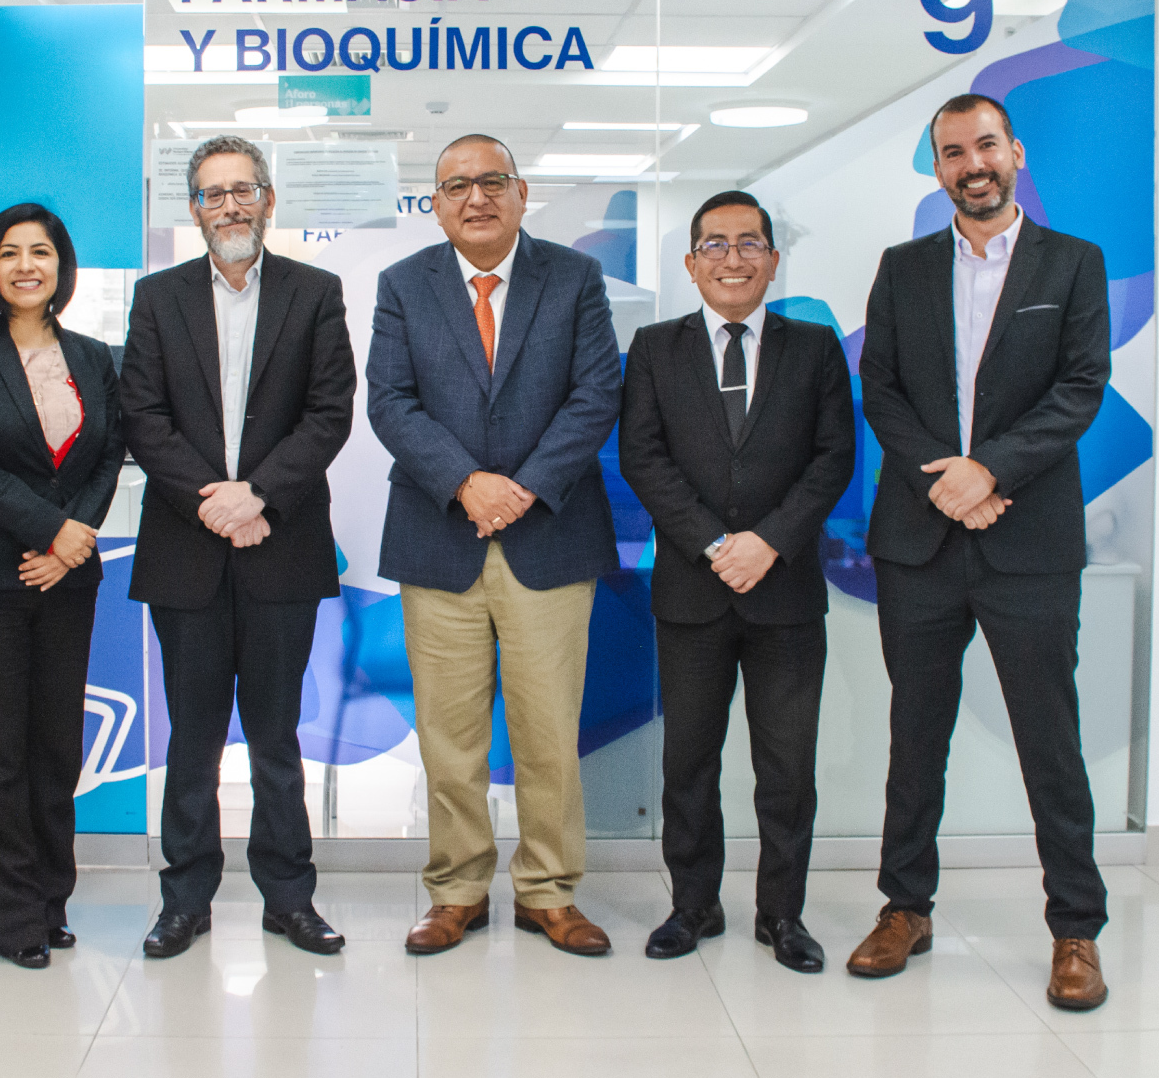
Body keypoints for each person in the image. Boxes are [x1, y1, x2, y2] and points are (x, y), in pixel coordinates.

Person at [851, 93, 1111, 1010]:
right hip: (920, 541)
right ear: (937, 168)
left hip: (1028, 537)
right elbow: (880, 387)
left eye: (987, 145)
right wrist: (942, 482)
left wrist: (990, 471)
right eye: (954, 150)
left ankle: (1075, 928)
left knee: (1052, 741)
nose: (974, 162)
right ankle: (904, 907)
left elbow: (1082, 388)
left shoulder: (1073, 263)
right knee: (915, 735)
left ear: (1016, 153)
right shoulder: (903, 267)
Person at [368, 134, 622, 957]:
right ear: (435, 203)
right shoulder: (404, 285)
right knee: (450, 735)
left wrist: (520, 486)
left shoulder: (573, 278)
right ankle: (457, 890)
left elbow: (596, 393)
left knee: (551, 731)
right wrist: (466, 482)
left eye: (491, 182)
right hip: (438, 536)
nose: (474, 198)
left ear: (521, 193)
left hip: (548, 533)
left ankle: (550, 890)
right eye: (455, 186)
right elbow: (390, 400)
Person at [121, 135, 356, 959]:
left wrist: (257, 495)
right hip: (187, 553)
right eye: (213, 193)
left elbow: (330, 413)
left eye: (243, 189)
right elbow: (142, 417)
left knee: (275, 735)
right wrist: (215, 503)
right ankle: (185, 899)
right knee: (190, 738)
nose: (230, 205)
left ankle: (288, 896)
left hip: (281, 545)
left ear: (268, 200)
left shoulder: (315, 292)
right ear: (193, 210)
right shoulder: (156, 298)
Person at [619, 191, 855, 968]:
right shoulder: (654, 348)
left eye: (749, 242)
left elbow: (833, 460)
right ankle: (694, 904)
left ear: (773, 260)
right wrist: (716, 543)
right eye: (714, 244)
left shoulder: (815, 347)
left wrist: (770, 542)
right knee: (690, 758)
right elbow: (643, 458)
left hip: (785, 593)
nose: (732, 257)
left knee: (787, 765)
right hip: (692, 587)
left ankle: (781, 914)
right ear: (691, 264)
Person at [0, 204, 125, 970]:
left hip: (67, 579)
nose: (25, 265)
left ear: (60, 266)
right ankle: (14, 913)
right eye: (10, 253)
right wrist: (52, 529)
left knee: (55, 745)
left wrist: (71, 544)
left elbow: (110, 452)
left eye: (40, 252)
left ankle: (52, 899)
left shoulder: (93, 355)